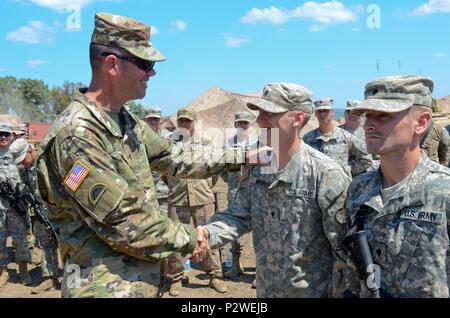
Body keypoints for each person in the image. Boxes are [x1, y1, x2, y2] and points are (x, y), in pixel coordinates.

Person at [36, 12, 254, 298]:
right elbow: (125, 222)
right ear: (112, 64)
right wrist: (195, 238)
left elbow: (175, 156)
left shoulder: (125, 121)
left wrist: (242, 156)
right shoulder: (79, 134)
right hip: (104, 289)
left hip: (138, 282)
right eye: (145, 63)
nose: (152, 73)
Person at [194, 83, 351, 298]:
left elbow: (345, 253)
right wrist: (208, 233)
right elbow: (238, 215)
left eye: (270, 113)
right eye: (260, 113)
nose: (259, 120)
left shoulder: (325, 174)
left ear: (297, 119)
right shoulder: (260, 168)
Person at [344, 75, 450, 298]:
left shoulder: (444, 192)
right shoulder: (359, 190)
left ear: (421, 122)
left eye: (383, 115)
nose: (369, 124)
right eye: (367, 115)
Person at [165, 108, 227, 296]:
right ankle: (176, 277)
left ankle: (215, 275)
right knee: (176, 240)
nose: (184, 124)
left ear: (194, 122)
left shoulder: (206, 143)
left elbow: (214, 170)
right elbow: (162, 172)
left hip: (202, 198)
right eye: (181, 120)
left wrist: (205, 186)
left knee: (208, 238)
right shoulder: (169, 144)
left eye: (188, 121)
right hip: (177, 198)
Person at [9, 139, 61, 291]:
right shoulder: (23, 168)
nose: (21, 163)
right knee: (46, 244)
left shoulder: (48, 161)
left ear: (30, 151)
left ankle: (79, 275)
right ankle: (49, 277)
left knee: (68, 243)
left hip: (59, 210)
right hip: (39, 211)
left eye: (23, 159)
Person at [220, 111, 255, 280]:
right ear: (235, 124)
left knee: (260, 231)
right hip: (234, 193)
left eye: (245, 123)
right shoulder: (227, 145)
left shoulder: (257, 144)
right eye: (239, 122)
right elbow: (221, 170)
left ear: (250, 125)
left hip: (255, 193)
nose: (242, 126)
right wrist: (232, 183)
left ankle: (260, 270)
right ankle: (235, 265)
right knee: (234, 230)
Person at [303, 98, 373, 177]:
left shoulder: (346, 136)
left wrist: (347, 171)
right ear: (315, 113)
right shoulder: (307, 138)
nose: (322, 114)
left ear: (332, 112)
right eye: (319, 111)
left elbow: (367, 159)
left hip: (342, 187)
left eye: (326, 111)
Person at [0, 122, 33, 287]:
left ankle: (23, 270)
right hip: (0, 207)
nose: (3, 137)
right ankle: (3, 271)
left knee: (20, 240)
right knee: (0, 240)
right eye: (0, 134)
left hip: (15, 207)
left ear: (12, 135)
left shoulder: (19, 152)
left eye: (6, 134)